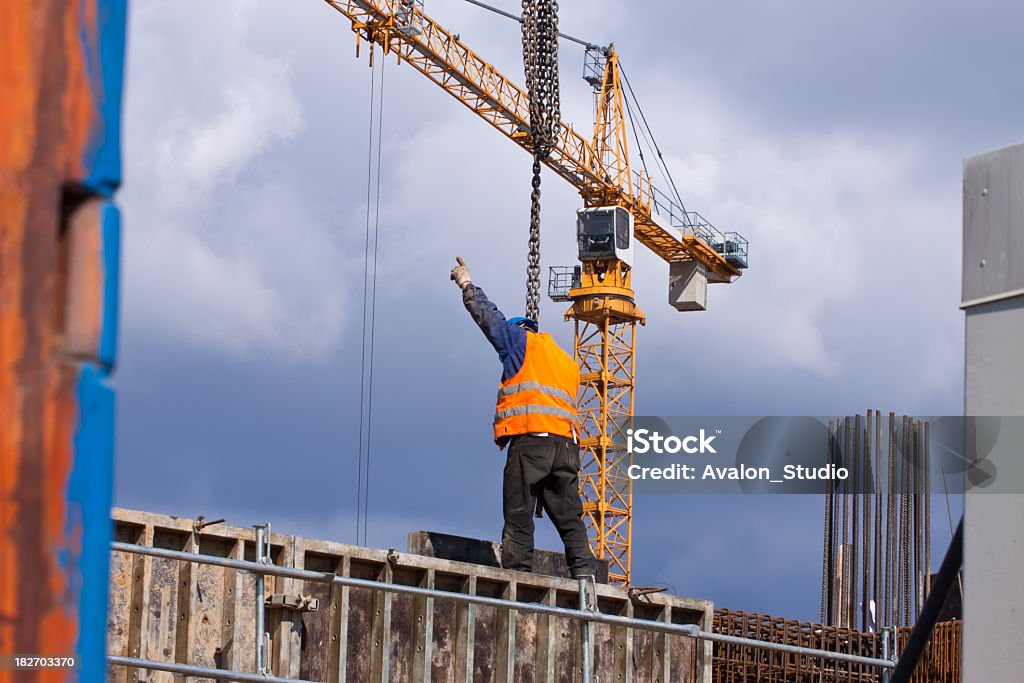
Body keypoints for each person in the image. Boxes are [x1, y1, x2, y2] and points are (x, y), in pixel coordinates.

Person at [450, 256, 596, 578]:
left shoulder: (520, 342)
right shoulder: (566, 362)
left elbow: (491, 320)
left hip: (532, 441)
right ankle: (587, 579)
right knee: (570, 517)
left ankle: (518, 579)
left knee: (518, 511)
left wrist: (466, 283)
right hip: (566, 447)